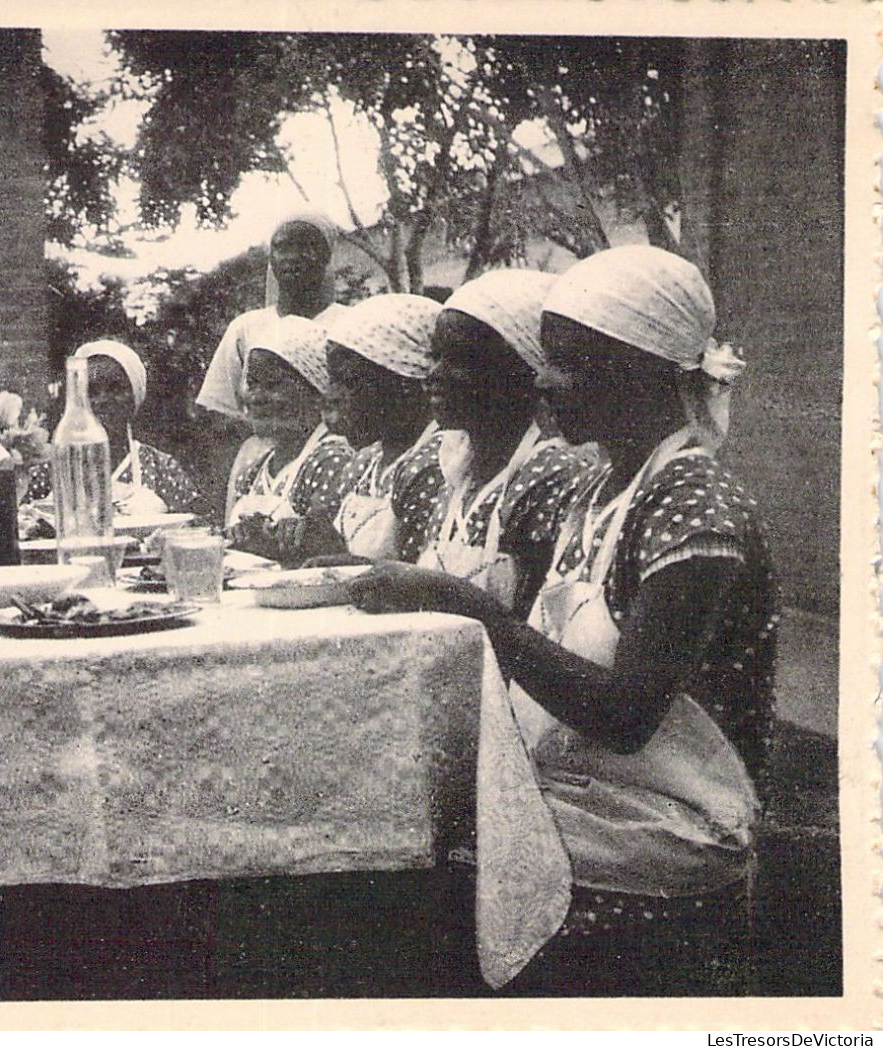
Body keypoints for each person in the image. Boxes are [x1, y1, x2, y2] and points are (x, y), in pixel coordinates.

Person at [335, 245, 773, 994]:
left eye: (566, 360)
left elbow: (626, 716)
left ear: (643, 369)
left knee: (410, 873)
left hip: (672, 821)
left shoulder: (693, 503)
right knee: (373, 817)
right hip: (588, 790)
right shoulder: (603, 488)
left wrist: (465, 605)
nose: (542, 379)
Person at [416, 270, 603, 613]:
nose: (434, 375)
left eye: (460, 359)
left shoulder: (552, 478)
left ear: (523, 369)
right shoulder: (458, 469)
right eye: (435, 357)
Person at [196, 208, 351, 521]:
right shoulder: (246, 328)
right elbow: (220, 417)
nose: (293, 257)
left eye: (307, 246)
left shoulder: (350, 324)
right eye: (282, 247)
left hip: (332, 462)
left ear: (327, 255)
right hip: (259, 468)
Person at [297, 294, 446, 564]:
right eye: (333, 381)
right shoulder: (364, 463)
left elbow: (420, 579)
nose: (332, 395)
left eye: (350, 382)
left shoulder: (435, 463)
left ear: (405, 381)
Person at [23, 340, 204, 516]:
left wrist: (161, 511)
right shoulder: (51, 470)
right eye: (91, 391)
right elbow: (24, 525)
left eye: (115, 389)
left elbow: (194, 530)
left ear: (134, 399)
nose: (102, 400)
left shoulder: (161, 468)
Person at [223, 315, 339, 561]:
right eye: (252, 383)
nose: (256, 397)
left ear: (315, 389)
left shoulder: (330, 461)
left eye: (273, 385)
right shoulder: (256, 469)